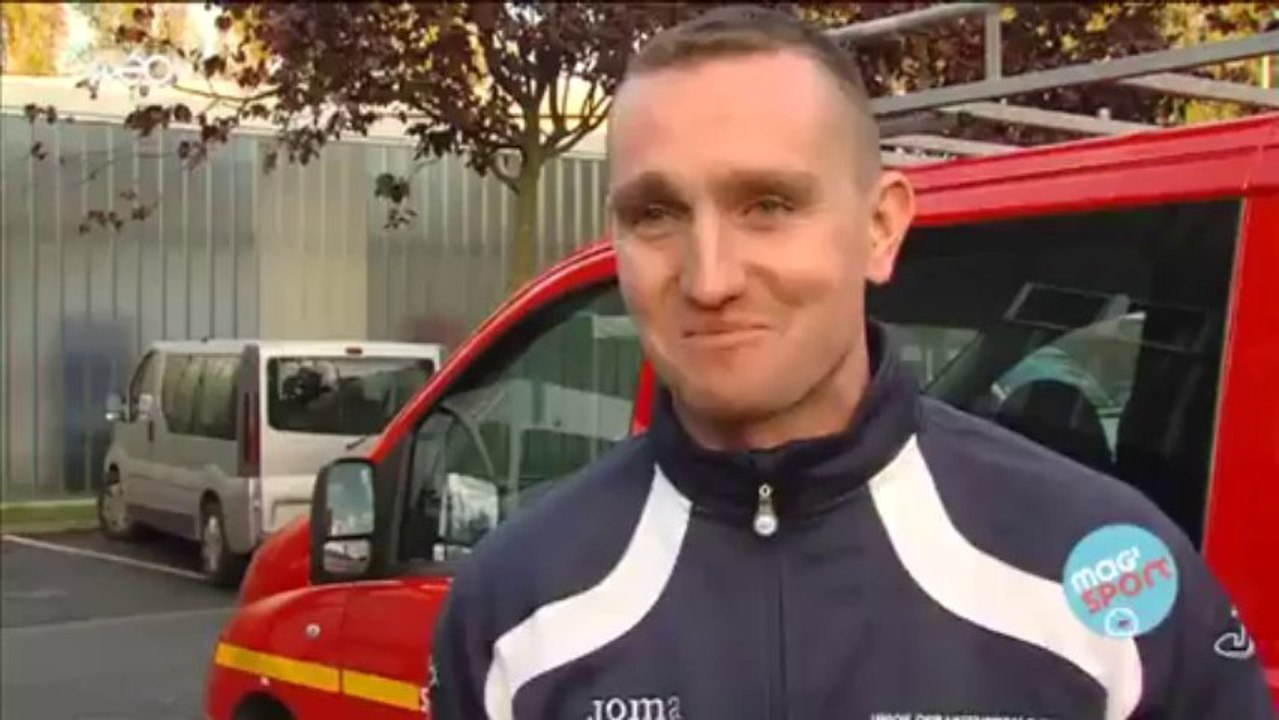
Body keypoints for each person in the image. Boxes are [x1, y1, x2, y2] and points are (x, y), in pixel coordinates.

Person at [428, 6, 1275, 719]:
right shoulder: (513, 603)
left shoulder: (1096, 569)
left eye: (768, 205)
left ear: (880, 227)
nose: (710, 277)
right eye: (655, 213)